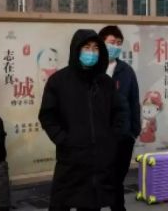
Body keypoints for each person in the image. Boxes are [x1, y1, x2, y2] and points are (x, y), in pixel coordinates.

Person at [39, 29, 123, 211]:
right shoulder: (58, 81)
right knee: (61, 203)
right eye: (86, 47)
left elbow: (119, 112)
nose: (91, 53)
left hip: (99, 161)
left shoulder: (105, 82)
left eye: (95, 48)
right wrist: (63, 139)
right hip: (71, 160)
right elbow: (47, 115)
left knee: (91, 205)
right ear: (76, 49)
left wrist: (112, 139)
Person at [99, 25, 140, 211]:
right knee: (96, 181)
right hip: (97, 137)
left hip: (123, 138)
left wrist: (133, 132)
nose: (114, 46)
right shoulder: (92, 70)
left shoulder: (126, 71)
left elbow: (134, 102)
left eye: (118, 43)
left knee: (117, 181)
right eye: (111, 42)